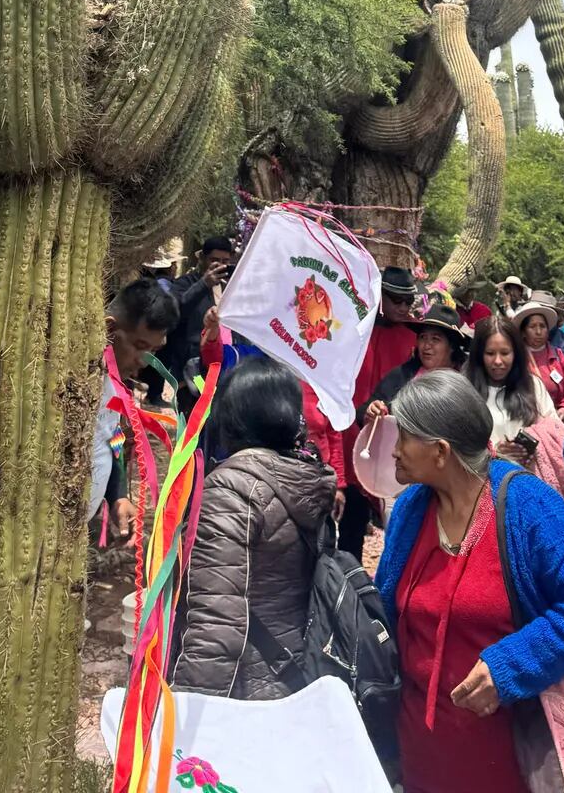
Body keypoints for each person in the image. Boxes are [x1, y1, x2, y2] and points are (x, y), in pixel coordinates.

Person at [374, 371, 564, 793]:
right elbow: (386, 610)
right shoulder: (410, 510)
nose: (394, 452)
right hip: (420, 756)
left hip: (511, 759)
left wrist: (513, 664)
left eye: (403, 438)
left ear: (440, 452)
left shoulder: (529, 506)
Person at [172, 356, 337, 698]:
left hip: (243, 687)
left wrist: (192, 710)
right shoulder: (309, 476)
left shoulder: (230, 490)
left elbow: (215, 617)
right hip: (296, 670)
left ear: (232, 421)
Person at [338, 265, 418, 561]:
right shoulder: (356, 331)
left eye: (408, 301)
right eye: (396, 300)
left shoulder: (415, 337)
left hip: (396, 442)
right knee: (351, 522)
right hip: (352, 433)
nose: (404, 308)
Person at [91, 278, 181, 535]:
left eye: (153, 350)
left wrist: (117, 494)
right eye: (140, 346)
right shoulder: (71, 385)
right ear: (109, 330)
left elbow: (113, 442)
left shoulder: (120, 388)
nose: (145, 361)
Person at [465, 315, 564, 496]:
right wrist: (495, 454)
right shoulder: (466, 391)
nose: (498, 361)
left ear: (516, 353)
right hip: (482, 492)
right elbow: (458, 447)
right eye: (490, 353)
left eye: (505, 353)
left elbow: (556, 432)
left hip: (529, 489)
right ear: (479, 354)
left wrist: (534, 448)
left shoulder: (533, 386)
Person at [363, 302, 467, 419]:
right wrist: (371, 410)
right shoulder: (402, 374)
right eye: (423, 337)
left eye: (435, 339)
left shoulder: (463, 384)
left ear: (452, 346)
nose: (427, 345)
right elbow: (365, 409)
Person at [159, 234, 237, 386]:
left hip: (219, 365)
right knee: (197, 405)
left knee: (214, 406)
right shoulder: (185, 283)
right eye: (214, 260)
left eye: (225, 262)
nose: (220, 265)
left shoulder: (227, 288)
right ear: (202, 258)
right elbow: (175, 311)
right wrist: (203, 284)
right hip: (189, 368)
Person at [512, 293, 564, 418]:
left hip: (556, 423)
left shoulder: (559, 357)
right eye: (532, 326)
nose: (538, 332)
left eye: (542, 326)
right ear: (523, 332)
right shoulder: (516, 358)